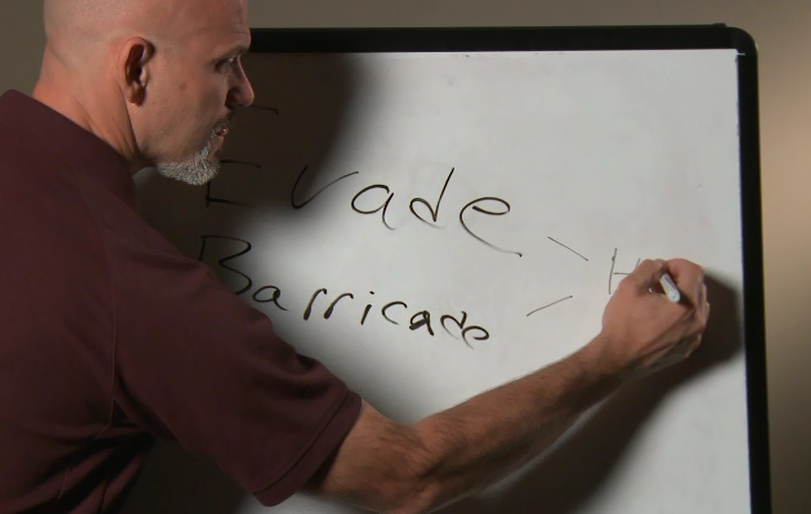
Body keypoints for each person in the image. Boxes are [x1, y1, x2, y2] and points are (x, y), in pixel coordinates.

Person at [0, 0, 710, 513]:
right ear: (135, 68)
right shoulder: (132, 288)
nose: (245, 91)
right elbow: (408, 476)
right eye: (225, 62)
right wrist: (612, 358)